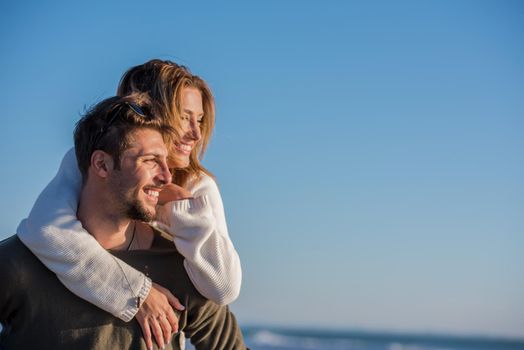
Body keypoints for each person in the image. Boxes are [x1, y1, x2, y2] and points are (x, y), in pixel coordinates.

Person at [16, 60, 241, 349]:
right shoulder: (93, 160)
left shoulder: (197, 187)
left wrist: (176, 211)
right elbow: (47, 230)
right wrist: (138, 293)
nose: (196, 134)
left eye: (199, 120)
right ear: (152, 112)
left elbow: (223, 287)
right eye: (185, 117)